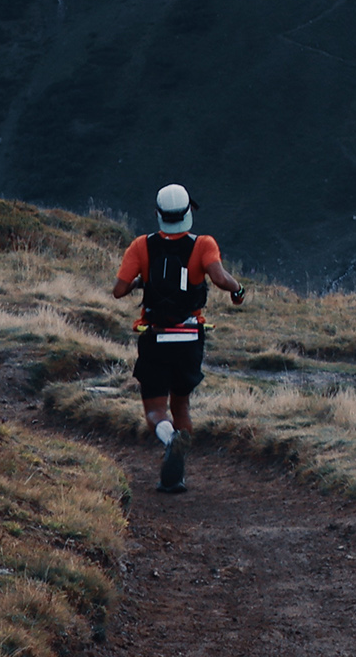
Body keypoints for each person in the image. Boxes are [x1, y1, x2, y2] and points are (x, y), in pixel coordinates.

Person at [111, 182, 246, 492]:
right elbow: (220, 278)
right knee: (181, 405)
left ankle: (169, 438)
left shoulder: (140, 246)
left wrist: (137, 284)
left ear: (159, 214)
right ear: (188, 212)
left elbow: (118, 290)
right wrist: (238, 291)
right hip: (189, 337)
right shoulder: (203, 244)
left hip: (154, 336)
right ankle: (179, 470)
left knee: (155, 411)